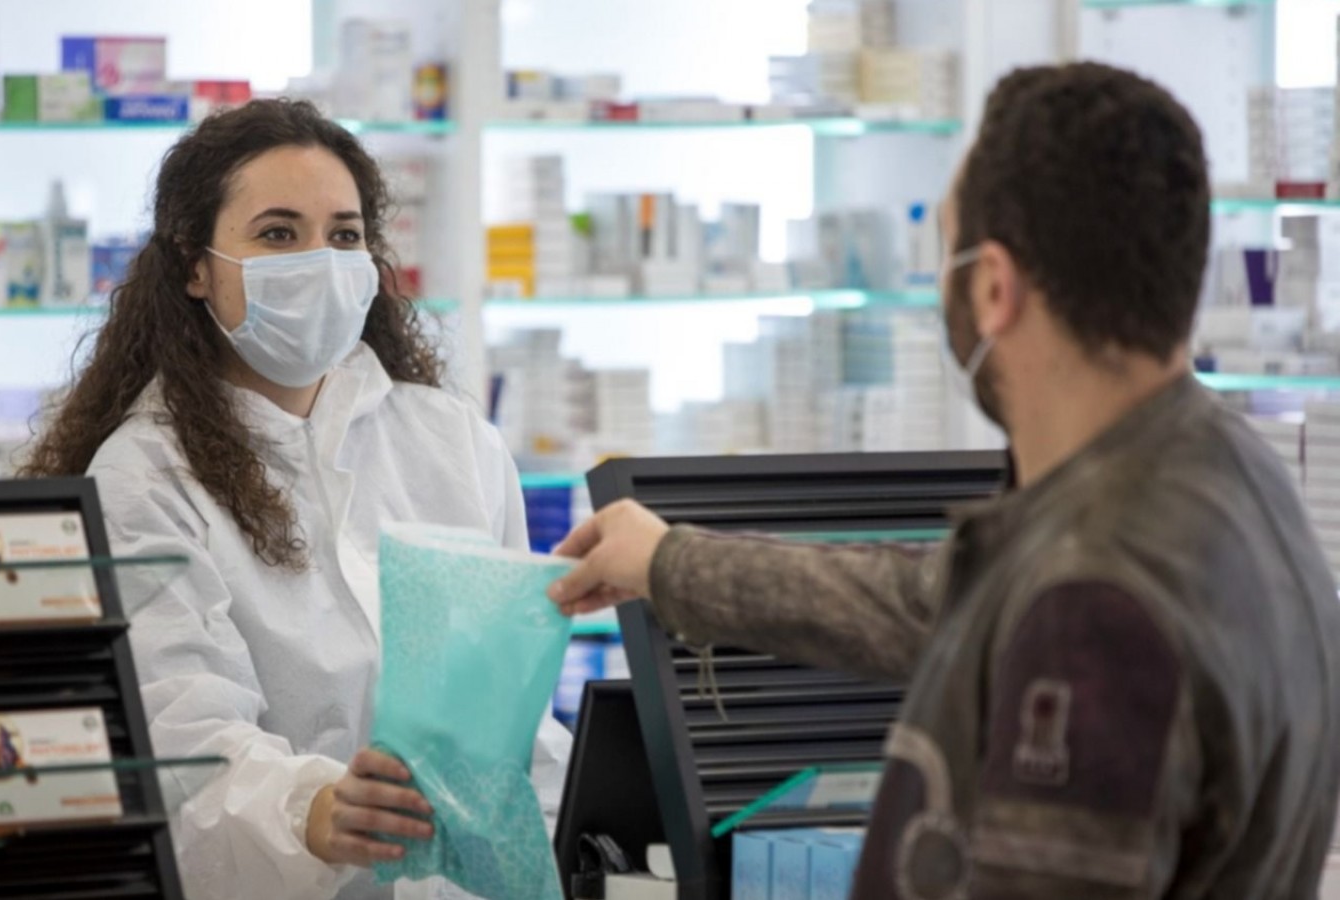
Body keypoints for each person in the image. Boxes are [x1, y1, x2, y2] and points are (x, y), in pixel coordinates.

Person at [549, 63, 1340, 899]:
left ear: (994, 288)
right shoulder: (1223, 477)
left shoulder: (1096, 608)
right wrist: (670, 561)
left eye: (948, 254)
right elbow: (931, 599)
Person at [22, 98, 571, 900]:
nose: (319, 261)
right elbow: (182, 746)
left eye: (343, 236)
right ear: (194, 264)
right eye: (278, 234)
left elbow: (517, 727)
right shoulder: (143, 477)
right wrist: (312, 809)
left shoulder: (451, 442)